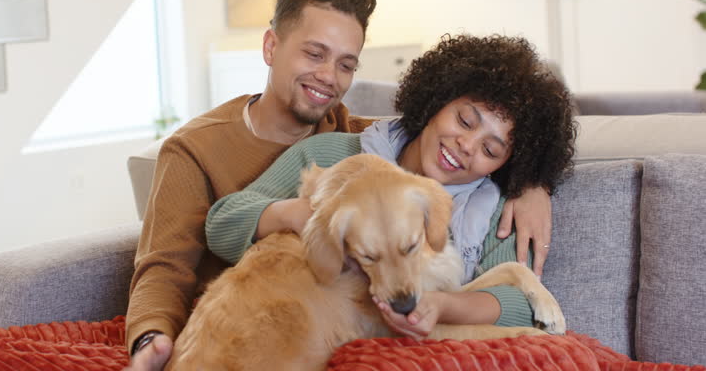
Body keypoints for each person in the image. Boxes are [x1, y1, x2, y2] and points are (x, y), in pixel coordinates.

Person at [112, 0, 553, 371]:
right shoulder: (309, 153)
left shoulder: (360, 139)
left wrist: (531, 180)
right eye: (314, 53)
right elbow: (180, 255)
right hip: (250, 334)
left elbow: (428, 154)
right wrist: (151, 341)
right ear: (271, 47)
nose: (328, 76)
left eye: (346, 64)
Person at [205, 33, 577, 338]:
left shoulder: (495, 208)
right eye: (465, 121)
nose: (467, 146)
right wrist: (309, 218)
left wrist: (442, 306)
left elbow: (519, 308)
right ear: (438, 100)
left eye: (491, 149)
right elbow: (222, 223)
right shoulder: (331, 155)